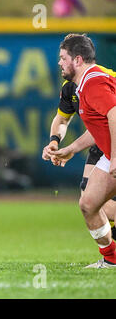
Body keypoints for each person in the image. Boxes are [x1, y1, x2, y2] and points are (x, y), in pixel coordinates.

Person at [49, 33, 116, 268]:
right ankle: (112, 259)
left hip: (113, 153)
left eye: (62, 58)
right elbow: (101, 126)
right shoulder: (80, 86)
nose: (59, 63)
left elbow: (115, 114)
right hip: (108, 152)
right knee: (89, 204)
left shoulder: (94, 81)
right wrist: (71, 148)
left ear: (77, 60)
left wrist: (115, 156)